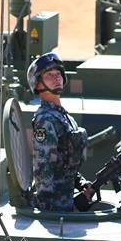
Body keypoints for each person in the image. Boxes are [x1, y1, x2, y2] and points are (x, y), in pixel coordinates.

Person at [27, 53, 93, 211]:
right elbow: (43, 172)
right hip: (56, 207)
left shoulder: (64, 117)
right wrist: (54, 210)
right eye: (49, 75)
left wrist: (81, 184)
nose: (56, 77)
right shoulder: (45, 120)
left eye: (58, 73)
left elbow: (64, 164)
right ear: (37, 84)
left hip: (67, 201)